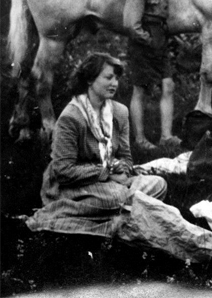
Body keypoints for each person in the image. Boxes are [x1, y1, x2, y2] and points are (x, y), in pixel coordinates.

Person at [26, 52, 167, 238]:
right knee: (117, 197)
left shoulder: (120, 112)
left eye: (116, 78)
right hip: (73, 187)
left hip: (114, 182)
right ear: (90, 80)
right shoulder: (71, 118)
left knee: (158, 184)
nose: (114, 83)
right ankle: (121, 219)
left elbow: (125, 156)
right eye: (108, 77)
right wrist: (106, 174)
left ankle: (119, 218)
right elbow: (63, 171)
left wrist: (123, 173)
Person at [123, 0, 202, 150]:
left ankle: (166, 136)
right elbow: (131, 24)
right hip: (143, 41)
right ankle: (139, 140)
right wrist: (148, 41)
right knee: (141, 89)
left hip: (160, 38)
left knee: (168, 85)